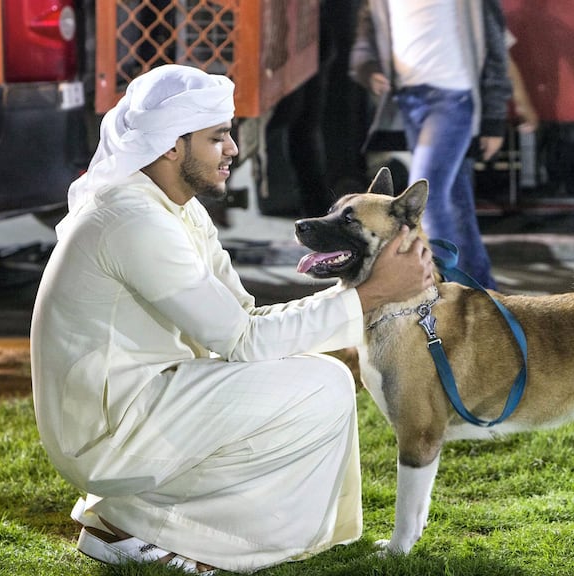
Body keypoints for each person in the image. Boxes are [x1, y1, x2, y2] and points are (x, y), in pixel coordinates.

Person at [30, 64, 434, 574]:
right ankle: (159, 534)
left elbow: (243, 317)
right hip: (109, 429)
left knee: (319, 374)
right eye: (217, 137)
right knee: (322, 385)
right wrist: (370, 296)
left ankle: (125, 520)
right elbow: (243, 339)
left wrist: (356, 309)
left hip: (149, 397)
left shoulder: (176, 207)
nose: (234, 149)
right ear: (171, 145)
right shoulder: (132, 219)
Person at [350, 0, 513, 289]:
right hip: (410, 100)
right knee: (456, 199)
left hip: (454, 99)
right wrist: (369, 69)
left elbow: (494, 47)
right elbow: (368, 34)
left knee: (429, 196)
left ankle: (440, 290)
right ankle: (483, 290)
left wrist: (493, 119)